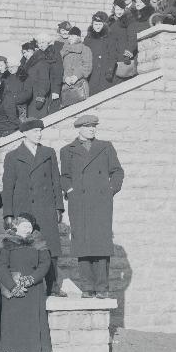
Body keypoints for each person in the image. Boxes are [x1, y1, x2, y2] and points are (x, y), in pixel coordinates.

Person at [60, 115, 124, 299]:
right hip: (79, 202)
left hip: (101, 202)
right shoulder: (67, 150)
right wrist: (71, 190)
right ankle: (87, 288)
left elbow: (117, 171)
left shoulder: (105, 147)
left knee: (101, 244)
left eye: (94, 126)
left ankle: (102, 288)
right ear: (78, 128)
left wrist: (111, 189)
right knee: (82, 244)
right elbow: (64, 176)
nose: (92, 129)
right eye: (88, 127)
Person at [2, 118, 64, 297]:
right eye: (35, 131)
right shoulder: (12, 156)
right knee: (26, 247)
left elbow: (55, 181)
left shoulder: (48, 152)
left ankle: (53, 286)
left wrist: (58, 207)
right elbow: (8, 187)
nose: (39, 134)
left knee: (50, 248)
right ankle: (28, 284)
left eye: (40, 131)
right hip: (24, 210)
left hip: (45, 207)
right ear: (25, 133)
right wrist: (8, 213)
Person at [0, 213, 52, 352]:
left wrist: (32, 279)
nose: (27, 228)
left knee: (32, 328)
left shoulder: (39, 243)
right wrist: (13, 286)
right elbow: (1, 265)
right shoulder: (6, 242)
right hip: (14, 291)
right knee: (17, 328)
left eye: (30, 225)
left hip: (33, 291)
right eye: (24, 225)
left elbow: (45, 264)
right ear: (16, 226)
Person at [84, 11, 118, 96]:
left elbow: (113, 55)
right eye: (96, 24)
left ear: (104, 25)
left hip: (105, 72)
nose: (97, 27)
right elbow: (84, 55)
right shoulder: (88, 39)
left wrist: (110, 70)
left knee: (104, 95)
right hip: (92, 73)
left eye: (100, 24)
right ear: (92, 25)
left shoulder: (109, 37)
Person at [60, 26, 93, 108]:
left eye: (73, 36)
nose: (70, 38)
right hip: (66, 86)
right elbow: (59, 68)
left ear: (78, 37)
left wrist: (76, 76)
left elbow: (87, 66)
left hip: (79, 84)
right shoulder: (63, 51)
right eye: (69, 36)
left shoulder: (85, 49)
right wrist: (65, 78)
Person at [108, 0, 138, 86]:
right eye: (117, 9)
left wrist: (128, 53)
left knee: (124, 82)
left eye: (121, 9)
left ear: (124, 10)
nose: (119, 12)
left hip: (123, 57)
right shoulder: (110, 22)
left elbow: (132, 38)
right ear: (114, 9)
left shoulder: (129, 21)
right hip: (113, 56)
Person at [33, 32, 64, 115]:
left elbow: (57, 73)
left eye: (43, 42)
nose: (40, 45)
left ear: (48, 42)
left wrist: (56, 91)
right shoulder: (37, 54)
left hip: (51, 89)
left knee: (52, 112)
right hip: (40, 89)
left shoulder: (54, 53)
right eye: (39, 43)